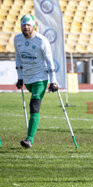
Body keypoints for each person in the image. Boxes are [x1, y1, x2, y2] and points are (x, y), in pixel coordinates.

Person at [14, 14, 58, 148]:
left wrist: (53, 81)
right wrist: (20, 77)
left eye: (28, 25)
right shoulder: (17, 39)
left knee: (34, 106)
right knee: (32, 105)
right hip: (27, 79)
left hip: (41, 78)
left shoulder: (41, 40)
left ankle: (29, 139)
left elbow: (50, 61)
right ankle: (29, 138)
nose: (26, 27)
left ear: (34, 26)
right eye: (23, 25)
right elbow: (18, 57)